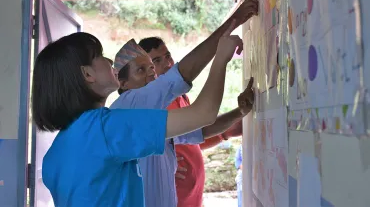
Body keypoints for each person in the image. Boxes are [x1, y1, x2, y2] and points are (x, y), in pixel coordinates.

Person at [31, 32, 242, 207]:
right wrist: (221, 57)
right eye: (100, 56)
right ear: (87, 74)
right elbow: (203, 114)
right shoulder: (107, 126)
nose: (108, 61)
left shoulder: (56, 152)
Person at [139, 36, 252, 207]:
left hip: (193, 198)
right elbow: (204, 115)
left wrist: (227, 132)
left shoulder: (180, 96)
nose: (168, 64)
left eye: (168, 56)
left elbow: (193, 138)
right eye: (157, 61)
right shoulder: (152, 104)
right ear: (147, 70)